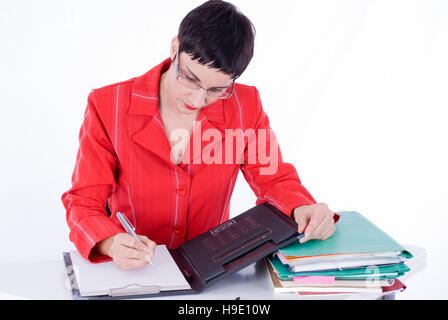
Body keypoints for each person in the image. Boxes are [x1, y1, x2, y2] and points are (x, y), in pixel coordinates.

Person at [61, 0, 338, 270]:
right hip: (136, 271)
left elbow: (274, 179)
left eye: (216, 89)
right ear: (174, 49)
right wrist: (110, 242)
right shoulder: (108, 105)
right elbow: (84, 201)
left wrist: (302, 208)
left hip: (214, 273)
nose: (197, 98)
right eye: (190, 79)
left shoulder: (245, 105)